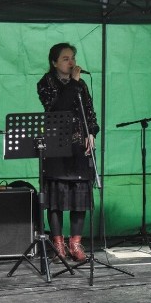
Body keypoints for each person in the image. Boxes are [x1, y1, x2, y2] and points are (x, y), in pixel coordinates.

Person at [37, 42, 99, 263]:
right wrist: (73, 83)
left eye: (72, 57)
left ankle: (75, 243)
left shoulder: (81, 85)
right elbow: (57, 108)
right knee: (56, 198)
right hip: (56, 147)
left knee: (79, 196)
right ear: (54, 62)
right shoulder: (46, 83)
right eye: (65, 58)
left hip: (78, 148)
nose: (71, 62)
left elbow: (90, 113)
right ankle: (58, 244)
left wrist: (91, 132)